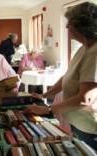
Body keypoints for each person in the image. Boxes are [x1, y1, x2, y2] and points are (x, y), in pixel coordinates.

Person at [23, 2, 97, 150]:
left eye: (69, 23)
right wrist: (45, 94)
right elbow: (68, 76)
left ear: (80, 25)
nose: (66, 27)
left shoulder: (94, 52)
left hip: (89, 127)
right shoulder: (84, 47)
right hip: (78, 122)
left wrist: (48, 110)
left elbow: (85, 99)